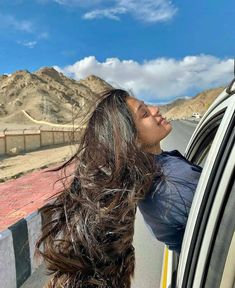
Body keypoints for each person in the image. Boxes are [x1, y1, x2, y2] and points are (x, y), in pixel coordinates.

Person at [35, 88, 202, 288]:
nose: (156, 109)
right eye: (145, 114)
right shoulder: (169, 184)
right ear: (132, 139)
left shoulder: (156, 173)